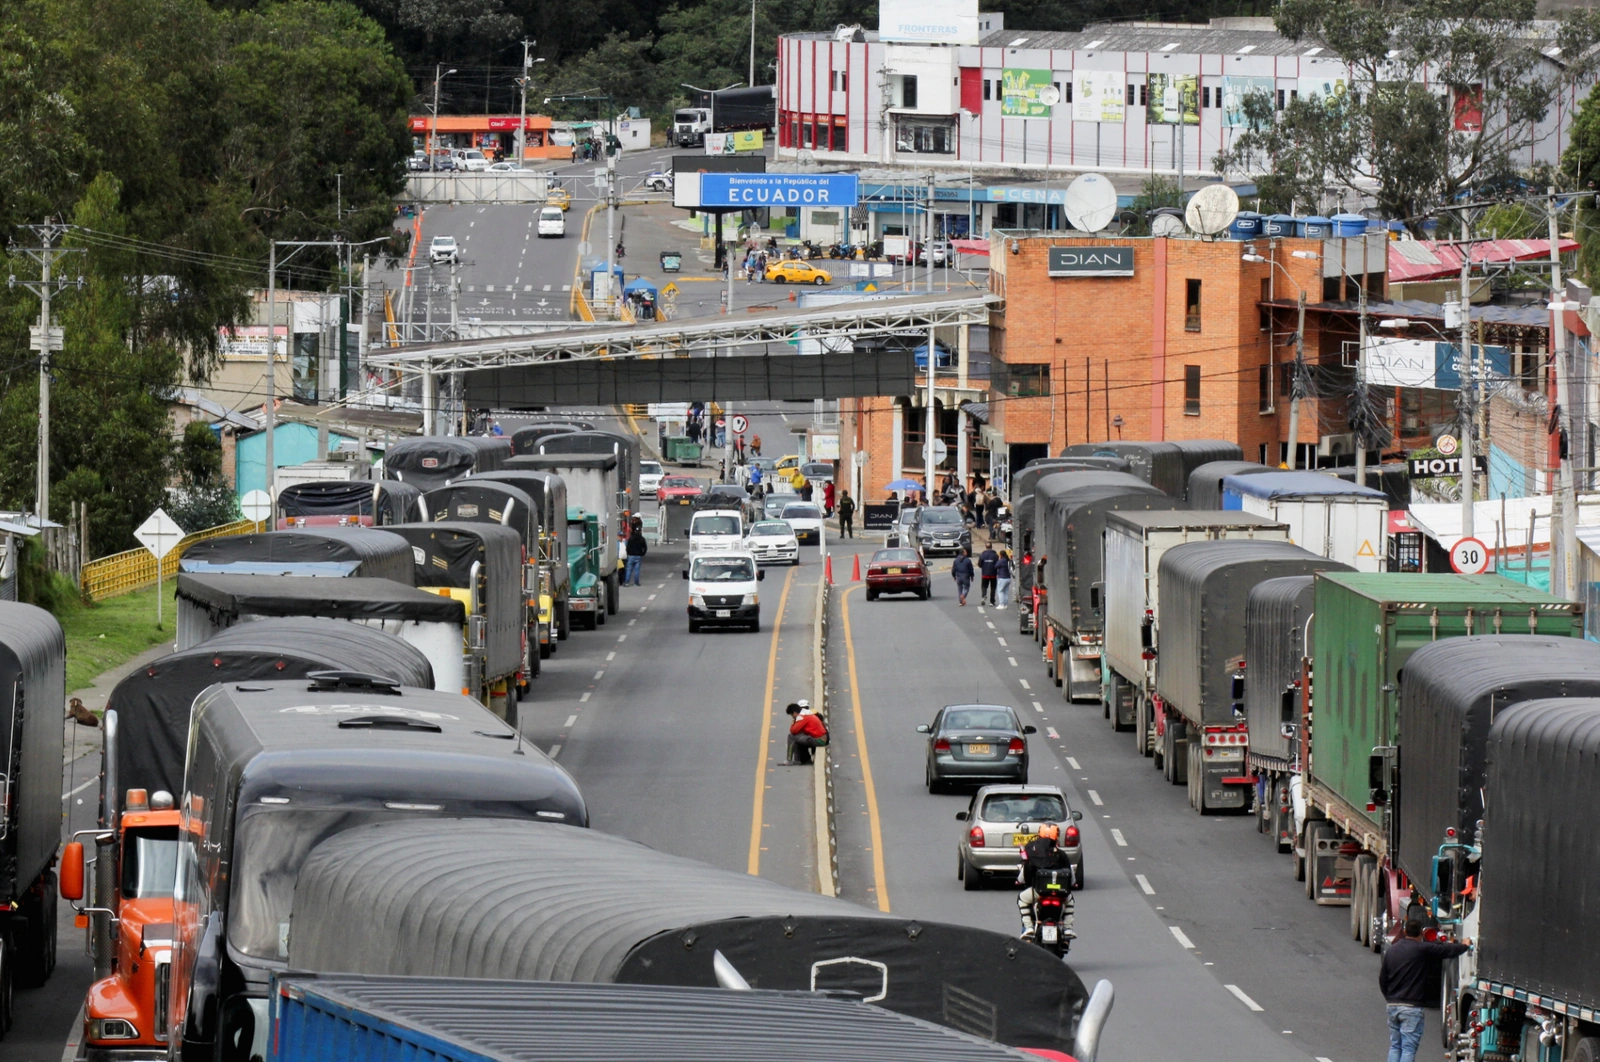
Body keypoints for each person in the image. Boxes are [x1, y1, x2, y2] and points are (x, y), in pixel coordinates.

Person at [1379, 918, 1471, 1062]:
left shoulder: (1392, 950)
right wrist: (1464, 945)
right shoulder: (1422, 949)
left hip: (1393, 1005)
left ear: (1404, 931)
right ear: (1421, 933)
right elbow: (1446, 950)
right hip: (1412, 1007)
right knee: (1408, 1049)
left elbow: (1382, 979)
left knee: (1395, 1046)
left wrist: (1390, 997)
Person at [1016, 823, 1076, 941]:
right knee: (1070, 901)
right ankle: (1068, 928)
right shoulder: (1062, 855)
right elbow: (1072, 879)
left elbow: (1022, 878)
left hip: (1039, 893)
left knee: (1022, 899)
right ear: (1056, 836)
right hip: (1061, 894)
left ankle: (1028, 927)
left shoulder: (1033, 855)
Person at [624, 519, 648, 586]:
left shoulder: (631, 539)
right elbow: (645, 548)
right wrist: (642, 554)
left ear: (634, 531)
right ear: (640, 531)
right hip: (638, 556)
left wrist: (628, 553)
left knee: (629, 570)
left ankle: (626, 582)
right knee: (637, 570)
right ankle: (636, 583)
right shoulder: (642, 539)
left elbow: (627, 547)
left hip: (631, 556)